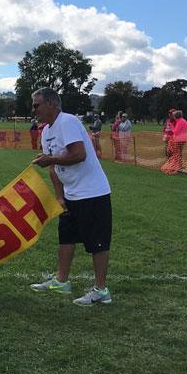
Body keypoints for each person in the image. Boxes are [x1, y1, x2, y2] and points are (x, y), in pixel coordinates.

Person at [30, 88, 113, 306]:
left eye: (36, 104)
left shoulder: (67, 121)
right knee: (65, 238)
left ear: (50, 104)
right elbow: (52, 167)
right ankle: (61, 281)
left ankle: (101, 290)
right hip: (70, 194)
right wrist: (60, 197)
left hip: (92, 192)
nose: (33, 109)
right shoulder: (45, 131)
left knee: (97, 242)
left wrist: (51, 159)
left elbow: (79, 154)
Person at [162, 109, 187, 174]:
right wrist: (164, 135)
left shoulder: (179, 121)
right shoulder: (182, 121)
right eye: (170, 113)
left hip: (177, 140)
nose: (170, 115)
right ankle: (173, 166)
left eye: (172, 114)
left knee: (175, 154)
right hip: (175, 139)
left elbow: (175, 132)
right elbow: (165, 129)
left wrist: (171, 127)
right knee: (173, 154)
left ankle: (175, 168)